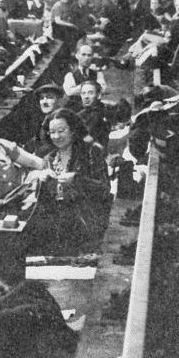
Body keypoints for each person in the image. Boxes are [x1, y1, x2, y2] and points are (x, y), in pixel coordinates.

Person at [36, 108, 112, 253]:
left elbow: (105, 189)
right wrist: (41, 182)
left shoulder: (90, 152)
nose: (56, 136)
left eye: (61, 130)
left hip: (86, 219)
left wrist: (77, 180)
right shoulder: (49, 159)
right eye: (52, 132)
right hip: (57, 222)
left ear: (73, 130)